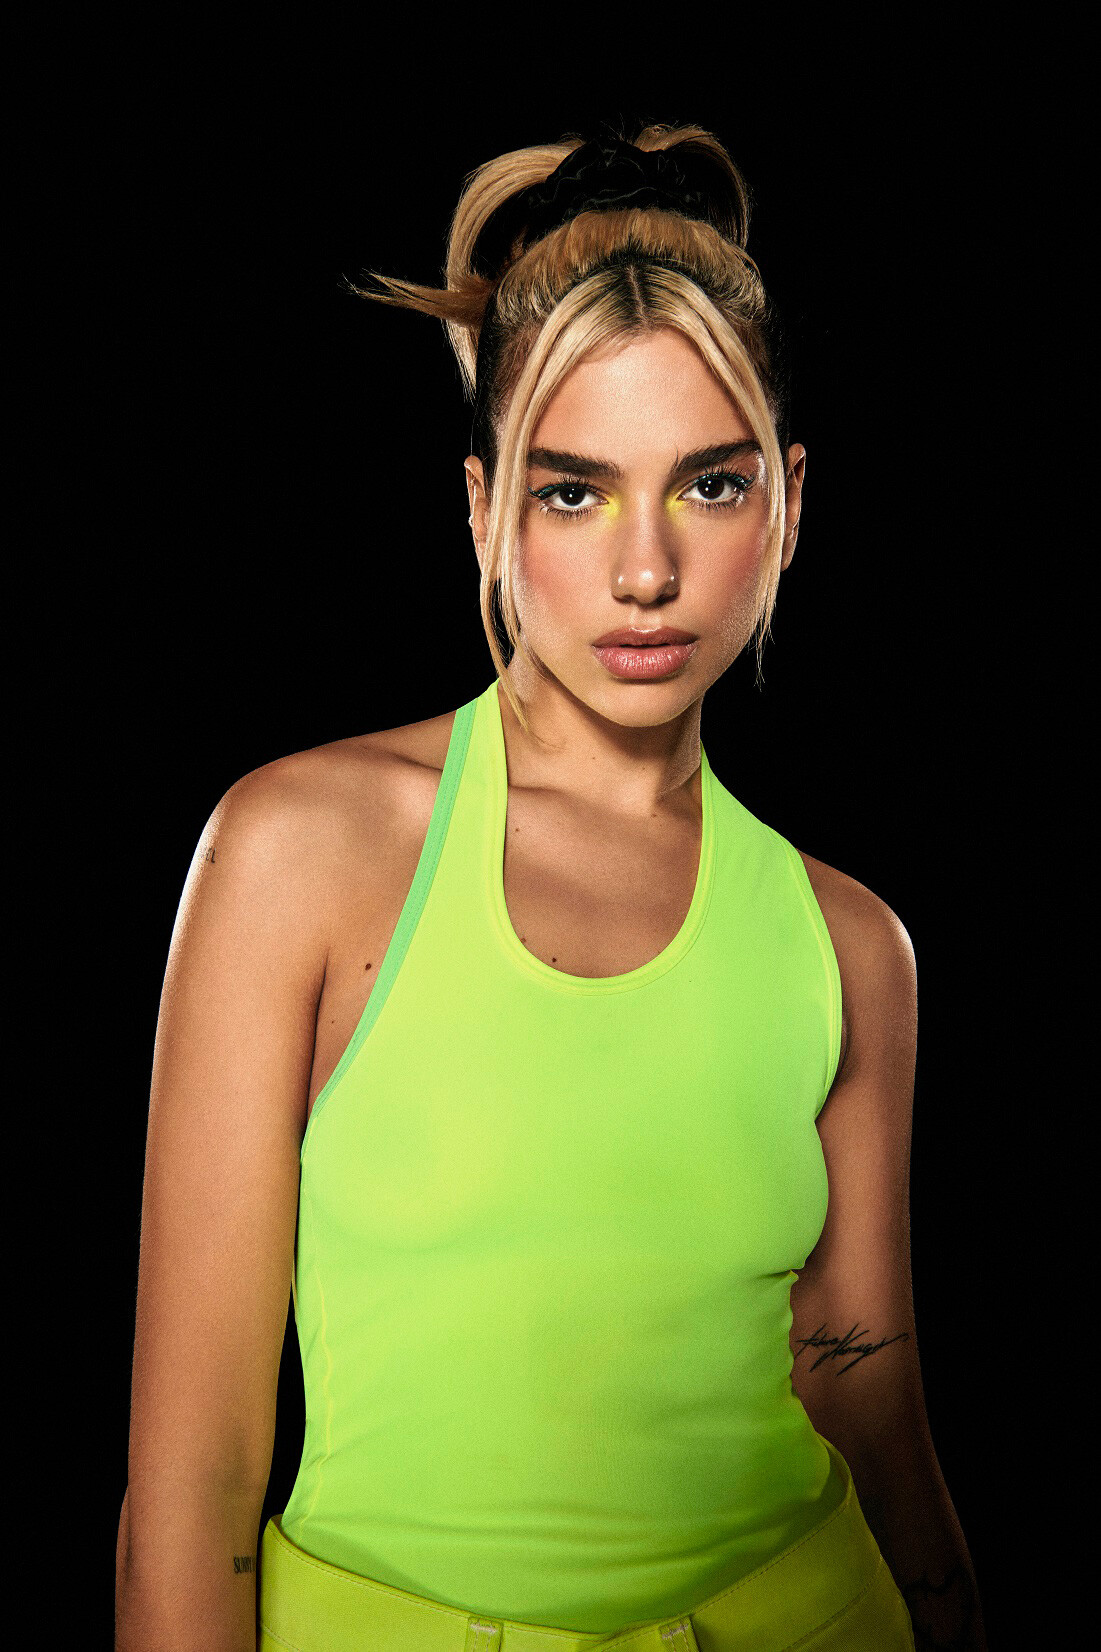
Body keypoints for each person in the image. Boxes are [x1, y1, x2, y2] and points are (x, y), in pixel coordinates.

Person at [116, 120, 987, 1651]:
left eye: (707, 487)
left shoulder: (851, 945)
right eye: (572, 492)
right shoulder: (300, 853)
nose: (644, 570)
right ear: (481, 508)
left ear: (788, 503)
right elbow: (190, 1491)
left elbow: (863, 1388)